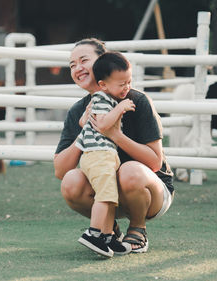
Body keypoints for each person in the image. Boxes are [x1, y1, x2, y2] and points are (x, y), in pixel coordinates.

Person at [54, 38, 174, 254]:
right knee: (71, 182)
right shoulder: (77, 111)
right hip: (107, 191)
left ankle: (138, 229)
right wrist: (87, 129)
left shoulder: (135, 101)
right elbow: (61, 170)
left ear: (102, 61)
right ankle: (108, 231)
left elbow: (155, 162)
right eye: (72, 65)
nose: (78, 68)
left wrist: (114, 134)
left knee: (128, 171)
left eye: (84, 60)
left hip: (150, 192)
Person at [76, 51, 135, 257]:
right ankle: (93, 233)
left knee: (111, 196)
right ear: (103, 84)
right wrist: (120, 109)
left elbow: (84, 123)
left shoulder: (102, 99)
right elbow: (102, 125)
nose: (127, 87)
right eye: (121, 84)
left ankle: (108, 236)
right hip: (99, 155)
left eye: (128, 81)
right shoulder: (102, 98)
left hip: (104, 155)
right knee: (105, 196)